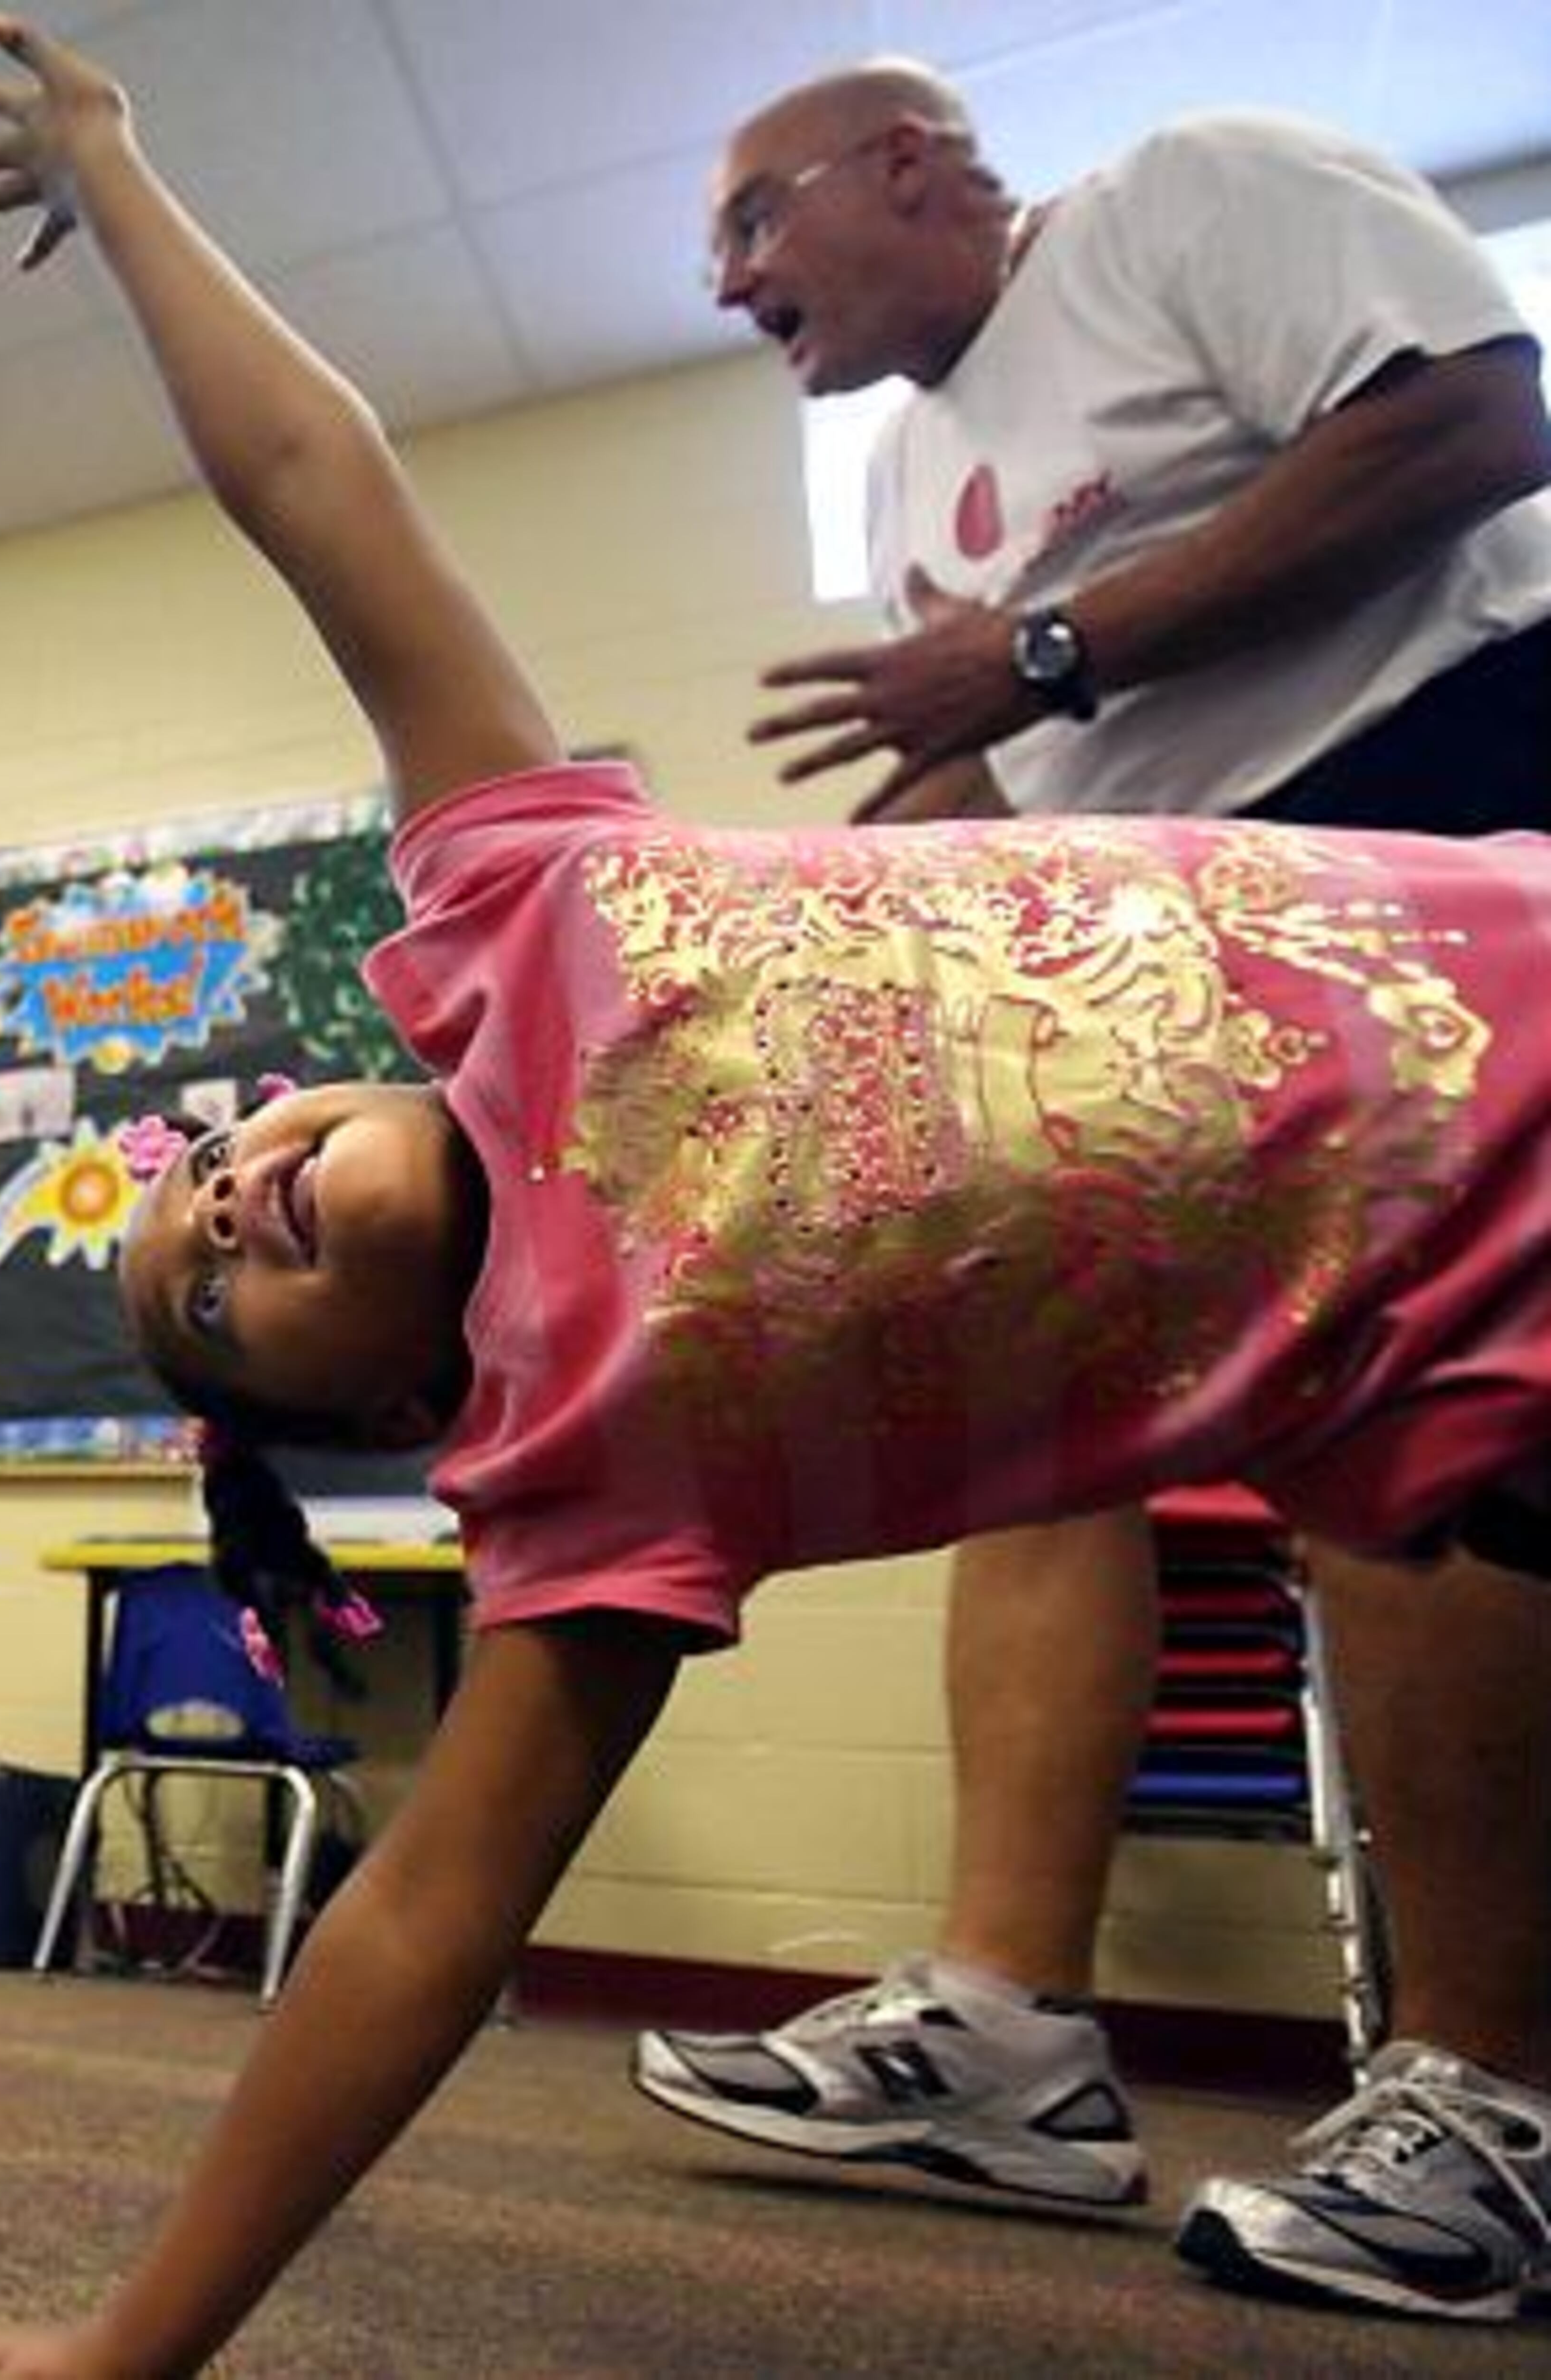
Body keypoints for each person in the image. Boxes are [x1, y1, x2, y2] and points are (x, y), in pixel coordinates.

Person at [0, 21, 1551, 2372]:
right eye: (209, 1294)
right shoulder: (593, 1493)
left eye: (203, 1164)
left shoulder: (528, 920)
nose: (219, 1210)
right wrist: (126, 2354)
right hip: (1482, 1349)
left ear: (338, 1072)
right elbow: (416, 1930)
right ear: (399, 1408)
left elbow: (317, 480)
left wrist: (115, 179)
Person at [632, 57, 1551, 2322]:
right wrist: (756, 975)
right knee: (1036, 1423)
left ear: (919, 169)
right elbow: (990, 763)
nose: (728, 281)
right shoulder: (919, 465)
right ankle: (1011, 2041)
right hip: (1173, 926)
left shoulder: (1190, 196)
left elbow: (1477, 424)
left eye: (756, 225)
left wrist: (1047, 644)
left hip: (1435, 818)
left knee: (1417, 1454)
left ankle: (1497, 2105)